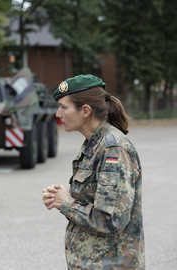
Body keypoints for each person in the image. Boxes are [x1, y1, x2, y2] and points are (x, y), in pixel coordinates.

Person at [42, 75, 145, 269]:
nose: (58, 114)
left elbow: (111, 219)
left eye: (63, 107)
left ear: (85, 111)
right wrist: (61, 198)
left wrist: (67, 203)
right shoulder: (94, 143)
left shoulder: (112, 148)